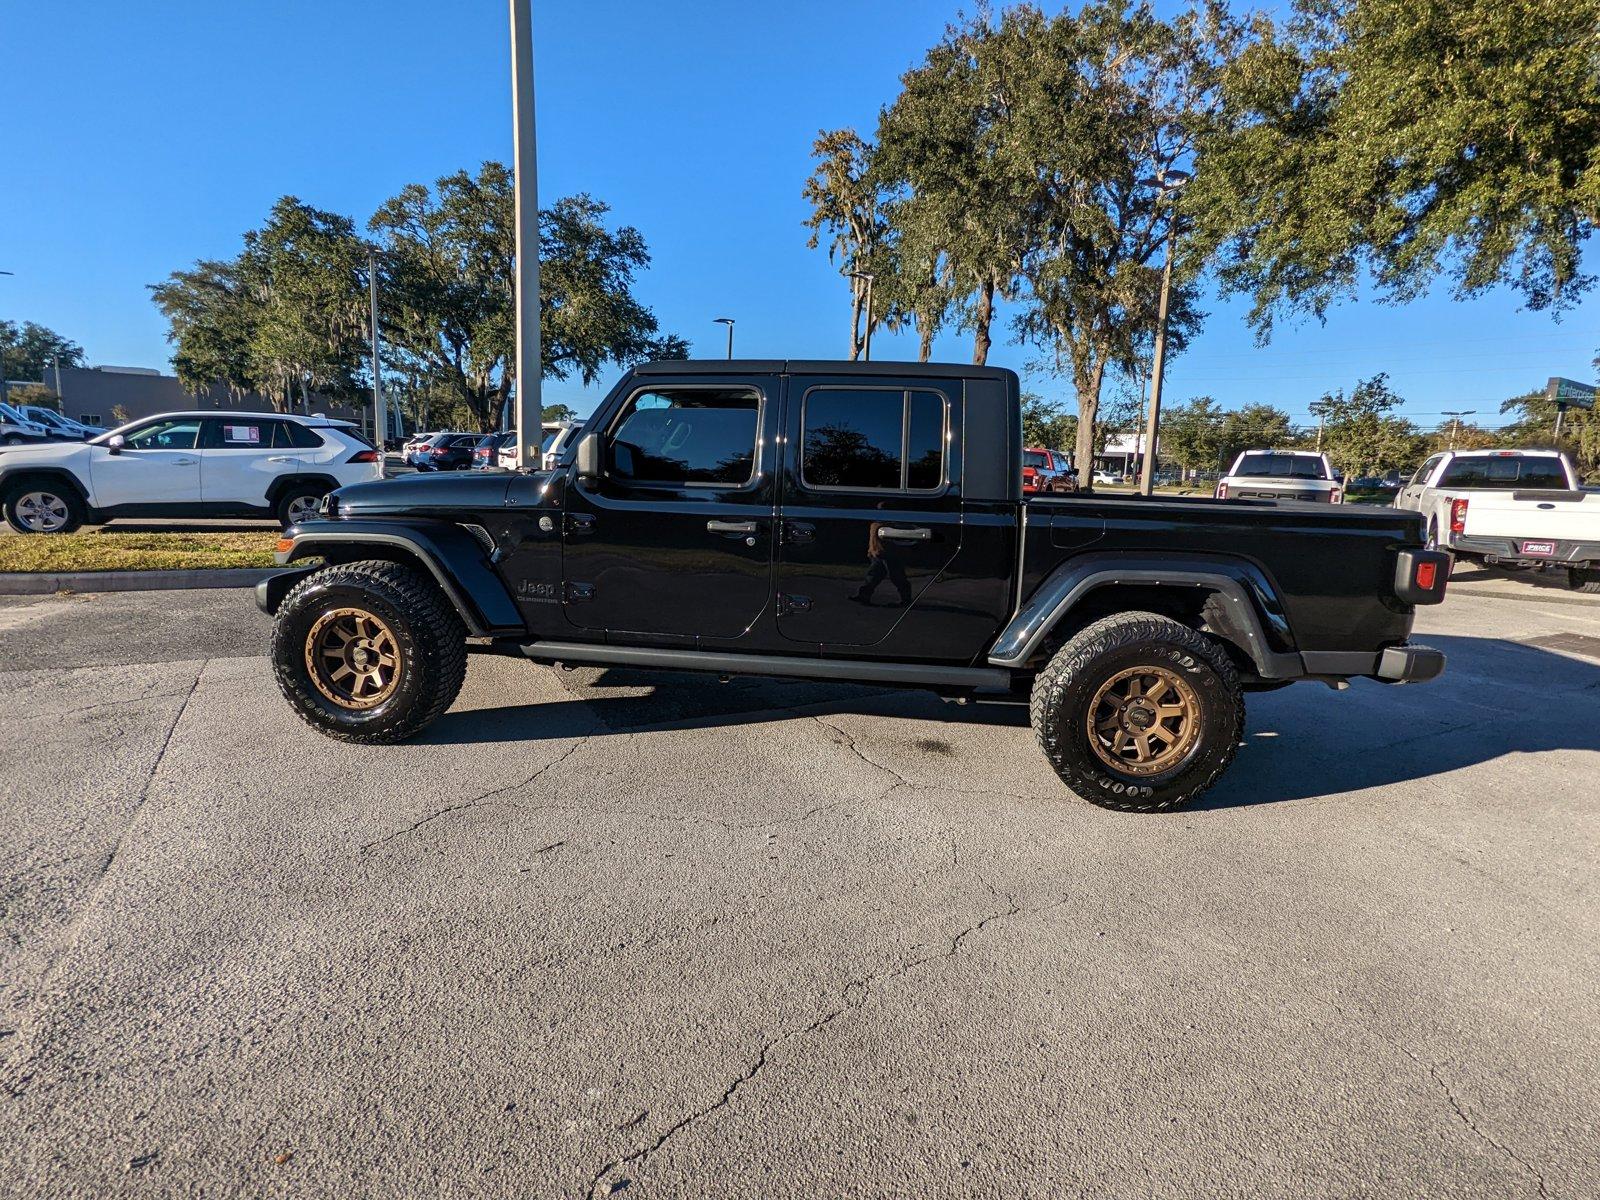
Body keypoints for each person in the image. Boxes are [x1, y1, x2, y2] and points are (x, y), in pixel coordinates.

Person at [849, 522, 911, 607]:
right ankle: (864, 595)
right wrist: (871, 549)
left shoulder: (889, 522)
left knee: (896, 575)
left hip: (889, 551)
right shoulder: (876, 523)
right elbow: (873, 537)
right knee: (874, 574)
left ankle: (906, 600)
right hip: (879, 551)